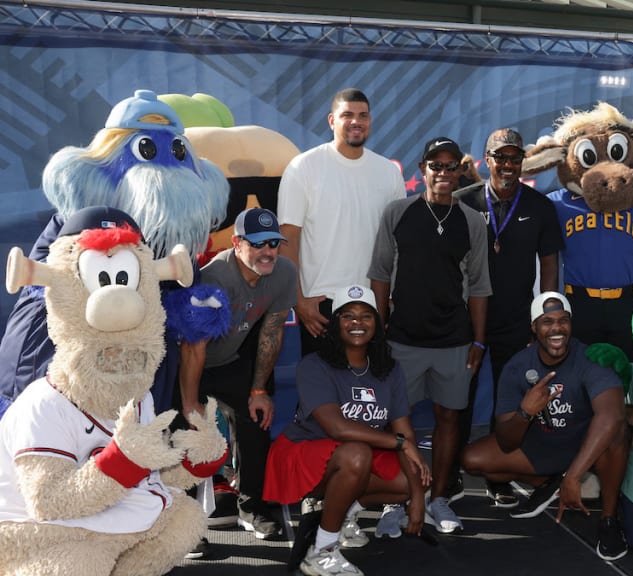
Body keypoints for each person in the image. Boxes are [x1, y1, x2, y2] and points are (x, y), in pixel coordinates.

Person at [368, 136, 491, 534]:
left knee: (449, 418)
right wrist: (380, 331)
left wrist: (478, 340)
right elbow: (381, 274)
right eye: (435, 166)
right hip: (402, 339)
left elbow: (479, 286)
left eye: (450, 165)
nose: (443, 172)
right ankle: (395, 501)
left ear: (460, 171)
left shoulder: (472, 221)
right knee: (395, 423)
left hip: (454, 341)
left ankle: (438, 499)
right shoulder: (398, 213)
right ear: (422, 170)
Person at [263, 285, 430, 576]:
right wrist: (400, 442)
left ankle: (341, 513)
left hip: (356, 455)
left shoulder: (389, 370)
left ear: (378, 325)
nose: (357, 323)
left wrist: (416, 497)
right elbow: (336, 427)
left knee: (414, 476)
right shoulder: (314, 365)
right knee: (357, 454)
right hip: (303, 452)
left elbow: (406, 433)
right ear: (335, 323)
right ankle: (322, 550)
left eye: (366, 316)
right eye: (347, 316)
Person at [461, 292, 629, 561]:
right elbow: (506, 441)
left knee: (617, 432)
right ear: (534, 328)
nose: (556, 328)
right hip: (543, 444)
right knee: (472, 459)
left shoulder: (590, 358)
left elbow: (612, 416)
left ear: (571, 324)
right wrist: (525, 413)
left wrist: (575, 476)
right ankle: (549, 482)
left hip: (585, 447)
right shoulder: (518, 366)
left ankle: (609, 519)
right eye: (547, 321)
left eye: (563, 321)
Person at [451, 128, 564, 506]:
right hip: (466, 321)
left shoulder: (540, 206)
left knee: (509, 402)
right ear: (487, 160)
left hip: (517, 321)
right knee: (458, 400)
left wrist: (544, 319)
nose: (508, 165)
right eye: (501, 158)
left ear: (523, 163)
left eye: (515, 158)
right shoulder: (461, 201)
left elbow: (549, 267)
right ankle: (449, 476)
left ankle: (500, 475)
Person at [176, 208, 297, 539]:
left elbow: (272, 332)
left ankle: (251, 507)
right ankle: (181, 523)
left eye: (274, 243)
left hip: (230, 359)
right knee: (183, 434)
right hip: (189, 364)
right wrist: (190, 403)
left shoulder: (284, 272)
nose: (268, 252)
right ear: (236, 243)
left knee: (257, 419)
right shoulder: (214, 278)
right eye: (258, 244)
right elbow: (192, 346)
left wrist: (258, 390)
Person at [278, 88, 405, 358]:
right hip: (322, 305)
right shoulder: (304, 167)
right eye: (347, 115)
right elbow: (288, 237)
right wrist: (299, 301)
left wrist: (391, 300)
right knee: (322, 395)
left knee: (370, 395)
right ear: (331, 121)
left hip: (373, 303)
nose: (356, 121)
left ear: (370, 120)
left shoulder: (389, 173)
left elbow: (398, 244)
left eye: (363, 115)